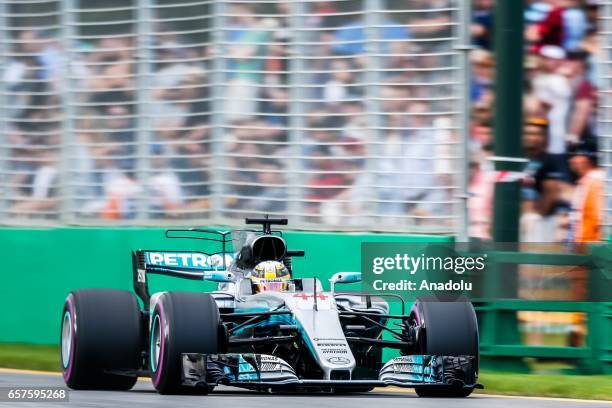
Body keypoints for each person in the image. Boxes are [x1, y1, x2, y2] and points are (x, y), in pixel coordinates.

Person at [567, 141, 604, 243]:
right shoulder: (592, 179)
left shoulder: (594, 181)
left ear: (584, 159)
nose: (571, 160)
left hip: (589, 248)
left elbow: (597, 218)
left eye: (575, 155)